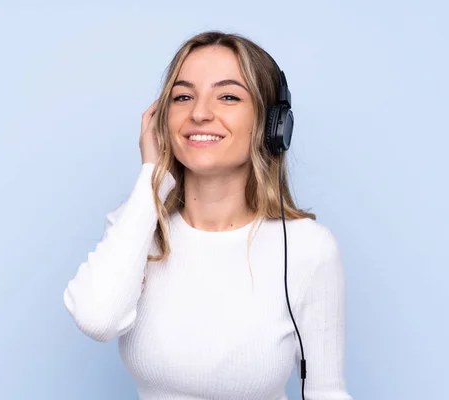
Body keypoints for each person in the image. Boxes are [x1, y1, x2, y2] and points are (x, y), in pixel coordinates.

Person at [63, 30, 352, 400]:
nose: (199, 113)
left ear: (272, 125)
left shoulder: (308, 248)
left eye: (228, 96)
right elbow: (96, 318)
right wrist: (151, 177)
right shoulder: (137, 228)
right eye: (183, 97)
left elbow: (326, 391)